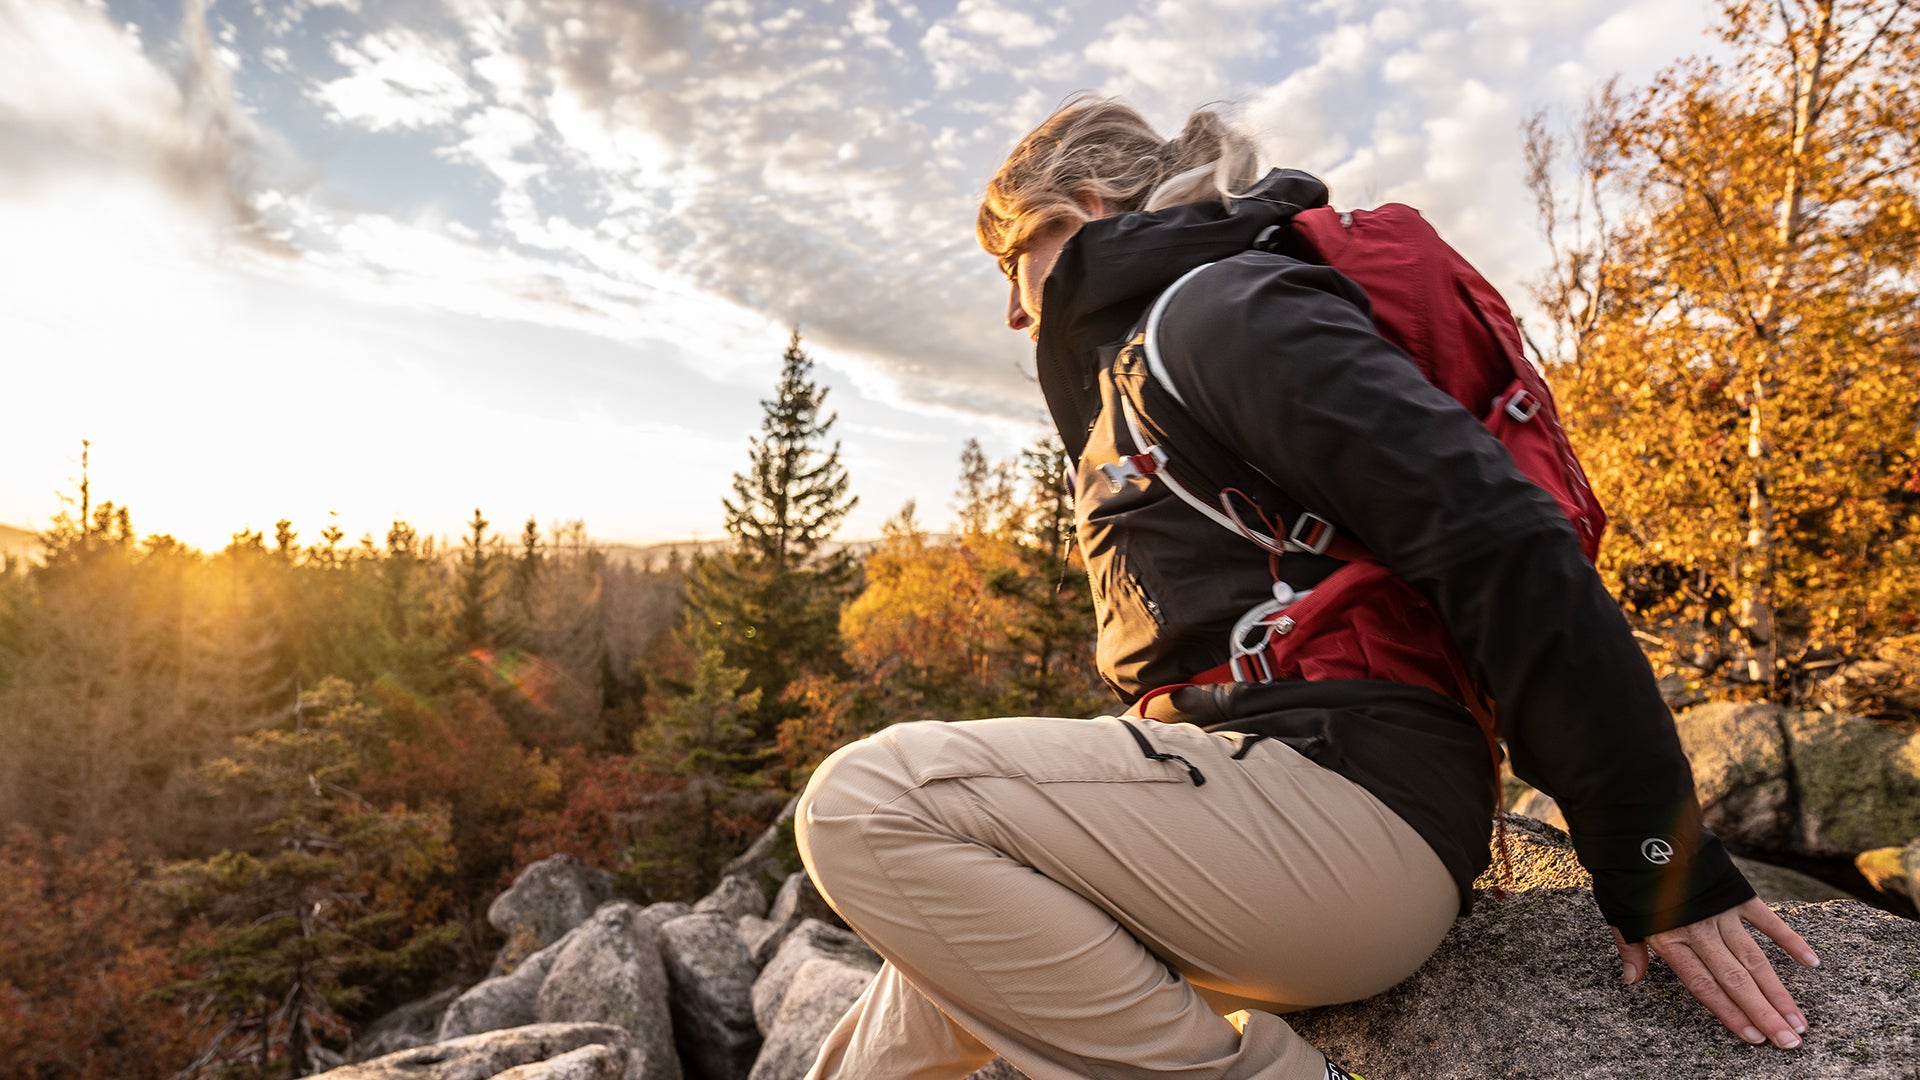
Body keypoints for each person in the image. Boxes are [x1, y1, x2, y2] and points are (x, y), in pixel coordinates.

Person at [792, 96, 1820, 1080]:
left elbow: (1502, 539)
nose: (1015, 312)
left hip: (1353, 819)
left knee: (870, 804)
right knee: (929, 971)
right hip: (1270, 808)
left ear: (1086, 212)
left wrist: (1657, 856)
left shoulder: (1220, 311)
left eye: (1014, 264)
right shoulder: (1160, 357)